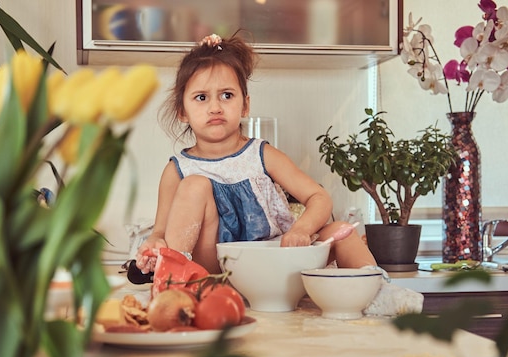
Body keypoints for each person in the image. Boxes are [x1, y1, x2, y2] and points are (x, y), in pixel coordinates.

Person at [135, 32, 376, 275]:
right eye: (201, 98)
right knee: (195, 185)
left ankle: (377, 290)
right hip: (214, 270)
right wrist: (155, 242)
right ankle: (174, 282)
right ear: (182, 111)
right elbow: (160, 232)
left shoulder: (261, 154)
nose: (215, 107)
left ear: (245, 105)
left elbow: (319, 197)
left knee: (342, 231)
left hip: (272, 262)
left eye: (227, 95)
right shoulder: (178, 170)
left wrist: (300, 230)